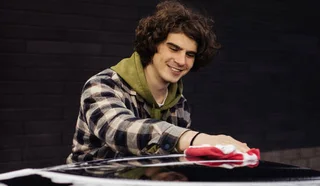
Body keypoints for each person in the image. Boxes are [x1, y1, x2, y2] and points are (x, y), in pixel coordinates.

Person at [66, 0, 250, 164]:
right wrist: (194, 139)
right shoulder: (102, 85)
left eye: (190, 54)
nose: (181, 61)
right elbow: (118, 130)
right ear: (154, 45)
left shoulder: (179, 105)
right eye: (174, 48)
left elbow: (169, 164)